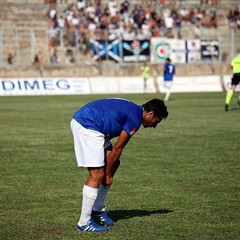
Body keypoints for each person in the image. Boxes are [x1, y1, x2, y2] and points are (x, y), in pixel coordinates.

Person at [70, 98, 168, 232]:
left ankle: (97, 210)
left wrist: (110, 172)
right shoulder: (135, 118)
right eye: (156, 121)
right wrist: (108, 175)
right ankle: (84, 222)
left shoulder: (135, 110)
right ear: (150, 114)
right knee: (97, 174)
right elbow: (117, 150)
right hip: (87, 125)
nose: (154, 125)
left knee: (114, 164)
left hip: (91, 124)